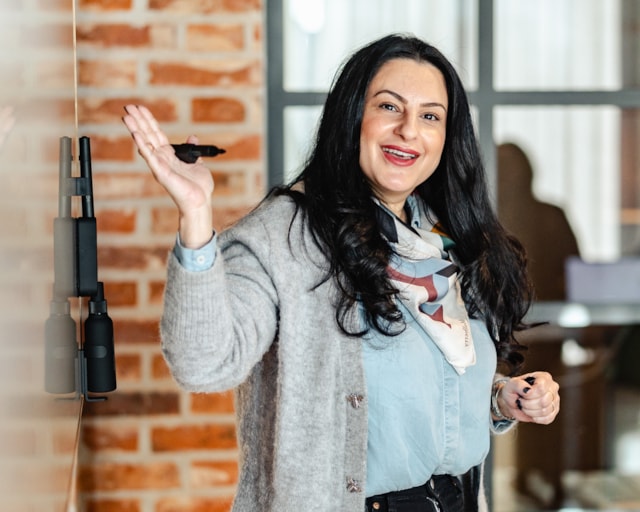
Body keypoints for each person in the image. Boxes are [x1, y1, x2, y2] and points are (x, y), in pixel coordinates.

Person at [122, 34, 560, 512]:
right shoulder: (285, 235)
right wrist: (195, 215)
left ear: (446, 138)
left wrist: (499, 397)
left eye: (430, 116)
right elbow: (204, 365)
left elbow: (422, 384)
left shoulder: (444, 237)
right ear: (353, 118)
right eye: (390, 107)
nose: (409, 130)